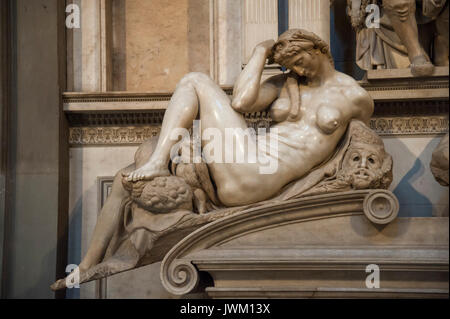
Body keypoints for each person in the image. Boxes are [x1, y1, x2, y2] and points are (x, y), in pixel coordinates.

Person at [77, 29, 374, 275]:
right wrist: (260, 51)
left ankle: (157, 162)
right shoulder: (286, 84)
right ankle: (86, 265)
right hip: (243, 165)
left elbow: (361, 148)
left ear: (318, 48)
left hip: (260, 176)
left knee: (195, 80)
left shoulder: (356, 98)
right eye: (290, 66)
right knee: (125, 178)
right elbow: (241, 103)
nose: (298, 69)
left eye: (299, 59)